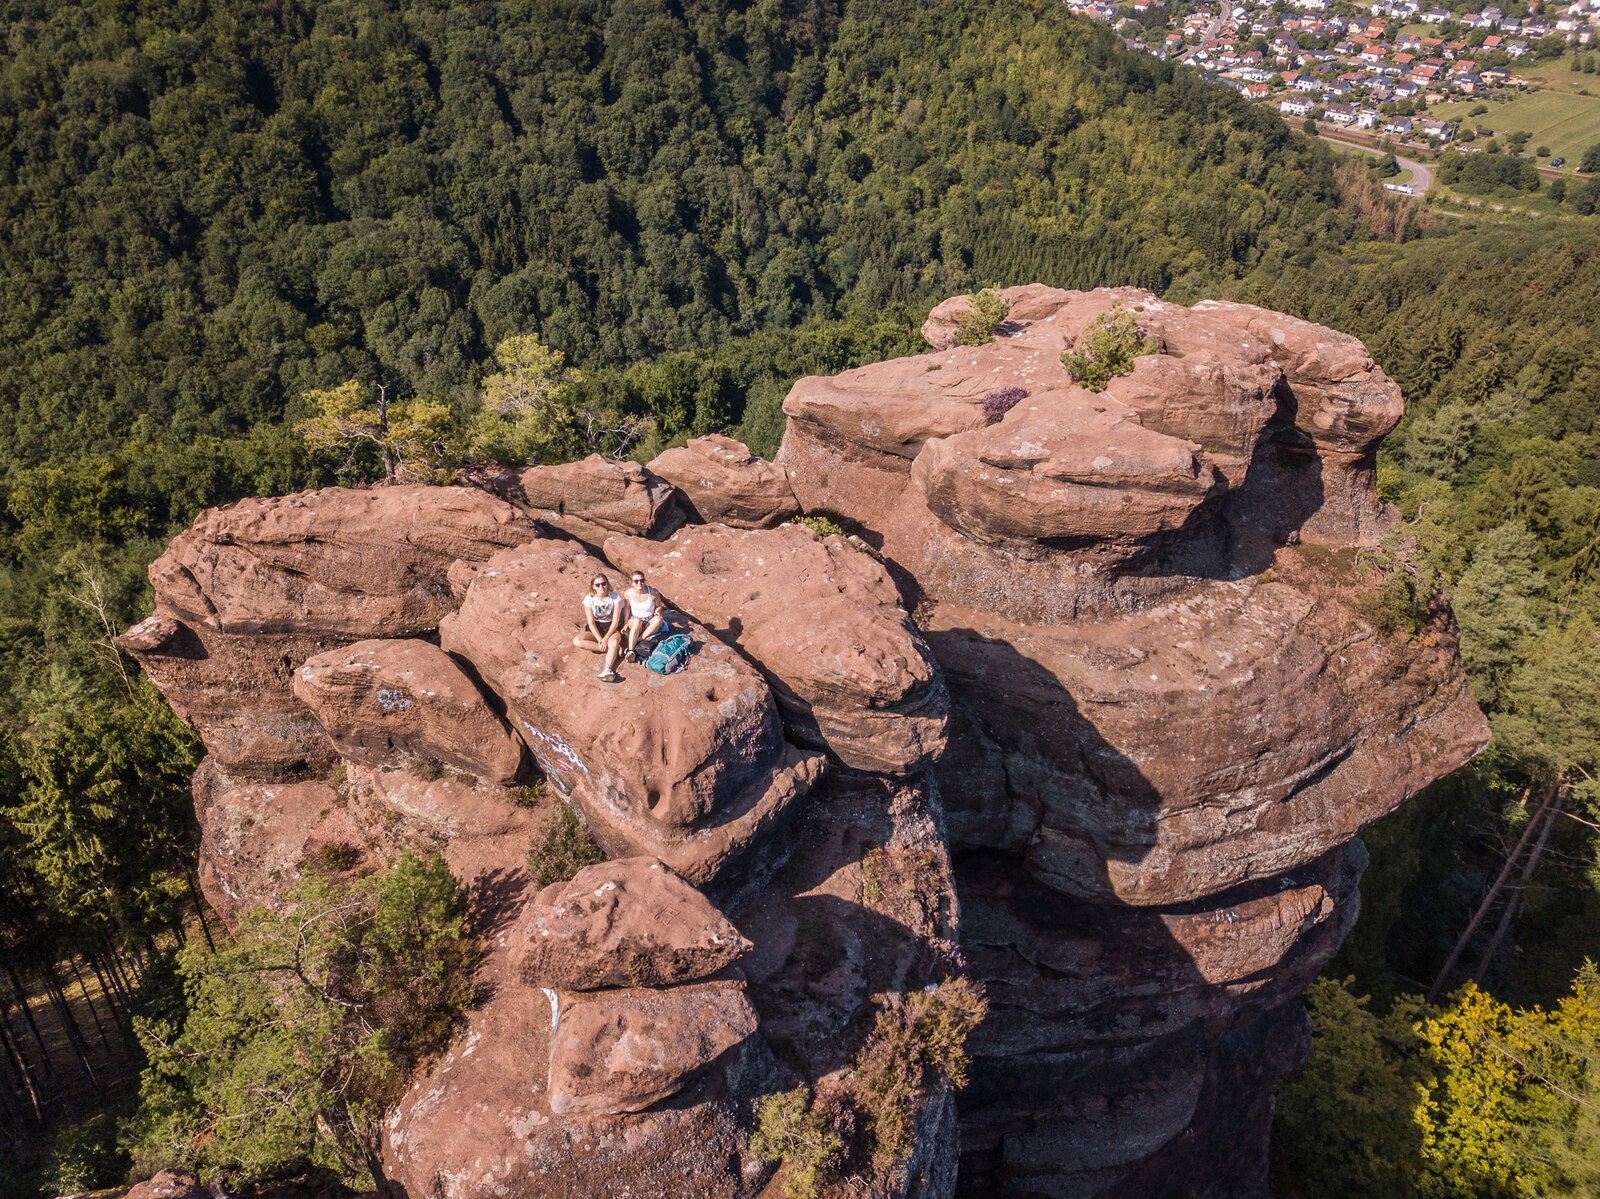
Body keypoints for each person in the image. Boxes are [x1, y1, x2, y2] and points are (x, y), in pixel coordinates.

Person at [574, 574, 625, 682]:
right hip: (596, 628)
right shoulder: (589, 599)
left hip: (611, 627)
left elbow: (615, 621)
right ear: (593, 586)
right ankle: (612, 650)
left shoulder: (615, 597)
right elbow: (591, 623)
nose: (601, 587)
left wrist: (606, 638)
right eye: (597, 585)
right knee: (577, 641)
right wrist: (600, 640)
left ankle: (608, 670)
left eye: (603, 583)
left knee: (613, 642)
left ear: (607, 584)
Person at [623, 570, 667, 662]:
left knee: (658, 620)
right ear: (632, 583)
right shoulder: (628, 594)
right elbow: (627, 609)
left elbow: (659, 606)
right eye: (636, 581)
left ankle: (638, 640)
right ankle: (631, 650)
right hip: (635, 621)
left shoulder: (653, 592)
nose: (639, 583)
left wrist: (658, 612)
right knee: (637, 621)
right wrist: (625, 623)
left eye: (642, 580)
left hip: (649, 621)